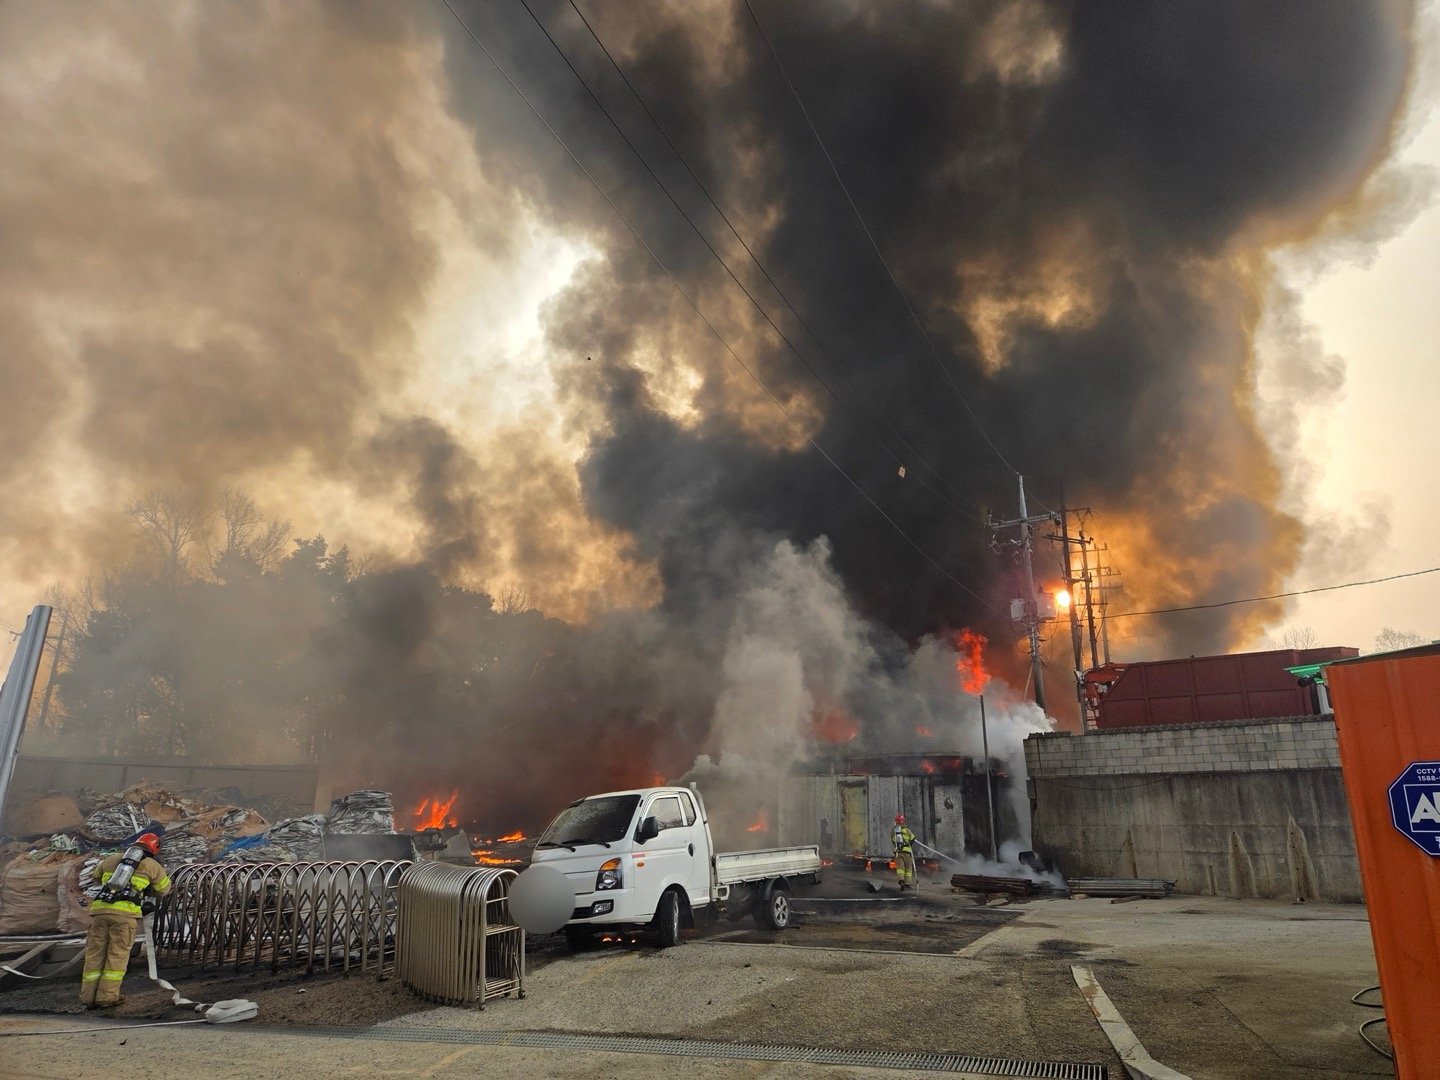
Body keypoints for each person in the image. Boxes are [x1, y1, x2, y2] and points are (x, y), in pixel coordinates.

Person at [80, 832, 171, 1009]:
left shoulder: (112, 859)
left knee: (94, 954)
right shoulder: (152, 866)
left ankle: (88, 997)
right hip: (125, 916)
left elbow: (95, 877)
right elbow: (164, 889)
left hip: (100, 911)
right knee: (117, 955)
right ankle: (106, 998)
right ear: (154, 849)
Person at [891, 813, 916, 890]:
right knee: (908, 868)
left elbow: (893, 840)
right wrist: (909, 843)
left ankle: (901, 881)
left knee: (900, 868)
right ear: (903, 821)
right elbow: (913, 838)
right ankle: (908, 883)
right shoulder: (907, 830)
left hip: (898, 852)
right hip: (907, 853)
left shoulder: (894, 831)